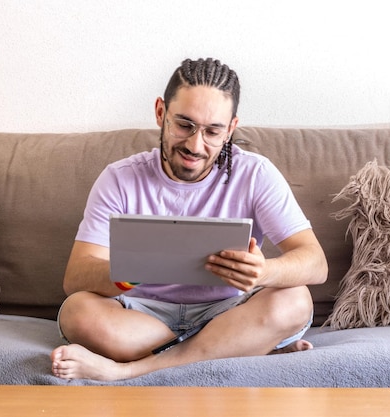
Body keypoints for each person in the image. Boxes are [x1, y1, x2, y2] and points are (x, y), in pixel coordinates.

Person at [50, 58, 328, 381]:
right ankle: (241, 348)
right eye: (184, 125)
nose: (196, 146)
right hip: (144, 316)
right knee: (77, 312)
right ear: (160, 113)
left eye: (213, 131)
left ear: (231, 129)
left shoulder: (255, 174)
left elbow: (316, 263)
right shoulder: (119, 179)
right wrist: (132, 273)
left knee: (295, 299)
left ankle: (125, 372)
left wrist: (264, 271)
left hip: (228, 311)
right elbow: (75, 277)